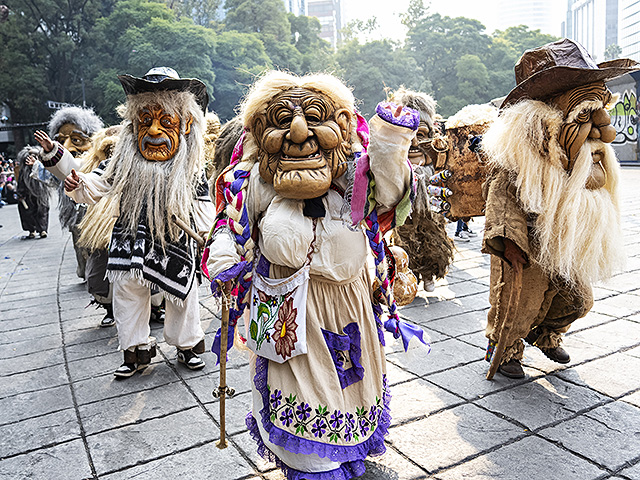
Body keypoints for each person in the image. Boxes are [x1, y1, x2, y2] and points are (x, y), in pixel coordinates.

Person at [205, 71, 425, 480]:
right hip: (286, 308)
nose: (299, 132)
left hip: (347, 304)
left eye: (314, 117)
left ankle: (345, 455)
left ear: (342, 126)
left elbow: (392, 192)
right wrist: (222, 260)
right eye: (282, 120)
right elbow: (229, 225)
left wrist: (392, 142)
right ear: (259, 129)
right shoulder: (256, 181)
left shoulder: (355, 175)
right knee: (300, 402)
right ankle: (316, 466)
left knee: (348, 390)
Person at [481, 39, 638, 378]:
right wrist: (508, 240)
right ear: (547, 119)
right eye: (585, 114)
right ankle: (506, 349)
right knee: (516, 307)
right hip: (529, 245)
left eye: (603, 112)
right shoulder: (522, 159)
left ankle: (546, 333)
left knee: (578, 300)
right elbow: (501, 199)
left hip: (565, 244)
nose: (605, 131)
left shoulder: (585, 150)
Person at [65, 67, 216, 377]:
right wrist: (77, 183)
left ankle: (186, 345)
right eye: (146, 122)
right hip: (129, 239)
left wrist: (208, 233)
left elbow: (203, 204)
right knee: (127, 293)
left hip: (175, 239)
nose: (155, 132)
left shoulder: (190, 166)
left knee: (183, 295)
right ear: (133, 126)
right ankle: (134, 351)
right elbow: (99, 181)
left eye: (166, 122)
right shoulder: (123, 160)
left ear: (186, 125)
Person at [388, 88, 454, 292]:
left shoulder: (434, 154)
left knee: (432, 237)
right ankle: (412, 275)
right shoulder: (398, 157)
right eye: (410, 134)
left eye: (422, 134)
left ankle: (429, 274)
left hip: (430, 205)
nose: (415, 142)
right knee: (406, 238)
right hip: (404, 202)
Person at [43, 106, 104, 280]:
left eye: (76, 140)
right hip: (75, 210)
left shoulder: (100, 161)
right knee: (77, 234)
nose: (67, 147)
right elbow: (59, 170)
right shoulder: (63, 162)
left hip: (95, 210)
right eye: (61, 141)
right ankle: (85, 268)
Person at [15, 146, 52, 238]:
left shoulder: (40, 168)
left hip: (40, 192)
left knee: (42, 210)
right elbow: (21, 182)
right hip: (27, 194)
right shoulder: (24, 172)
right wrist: (20, 193)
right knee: (27, 212)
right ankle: (32, 230)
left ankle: (42, 230)